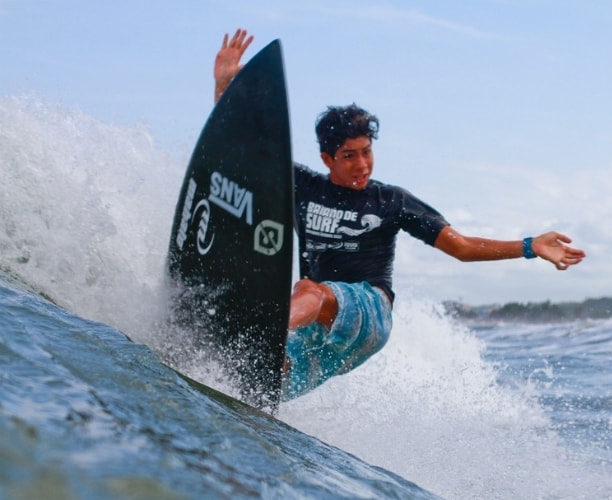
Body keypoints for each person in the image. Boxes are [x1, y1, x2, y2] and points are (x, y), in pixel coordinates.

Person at [214, 29, 586, 400]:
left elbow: (463, 247)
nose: (362, 165)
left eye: (366, 152)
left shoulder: (391, 201)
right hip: (317, 327)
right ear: (327, 159)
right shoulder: (303, 186)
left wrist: (529, 245)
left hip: (369, 312)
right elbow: (238, 151)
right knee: (261, 383)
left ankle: (264, 333)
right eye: (349, 155)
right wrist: (225, 86)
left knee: (307, 290)